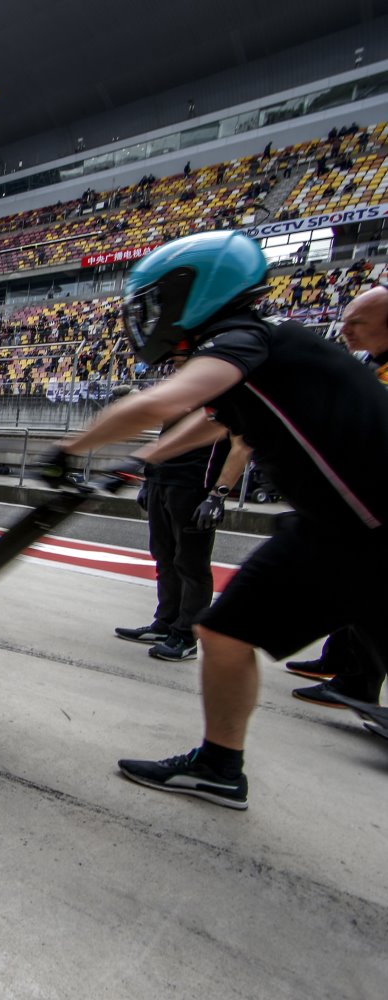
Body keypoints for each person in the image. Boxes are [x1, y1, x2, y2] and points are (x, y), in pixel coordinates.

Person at [45, 230, 388, 810]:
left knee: (227, 629)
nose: (150, 318)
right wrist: (139, 461)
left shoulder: (243, 337)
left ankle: (220, 765)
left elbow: (165, 403)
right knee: (226, 631)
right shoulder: (263, 349)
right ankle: (219, 766)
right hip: (338, 525)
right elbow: (212, 420)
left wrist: (70, 449)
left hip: (365, 526)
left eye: (159, 302)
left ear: (197, 292)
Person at [281, 285, 388, 708]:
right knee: (350, 589)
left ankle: (356, 682)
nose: (345, 329)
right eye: (345, 320)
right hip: (356, 501)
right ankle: (338, 661)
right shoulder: (371, 364)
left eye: (357, 322)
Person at [113, 374, 248, 662]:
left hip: (195, 487)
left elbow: (241, 446)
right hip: (165, 482)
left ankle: (186, 636)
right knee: (164, 556)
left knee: (192, 564)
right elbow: (165, 438)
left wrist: (217, 495)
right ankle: (165, 623)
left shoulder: (223, 394)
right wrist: (149, 480)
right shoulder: (181, 389)